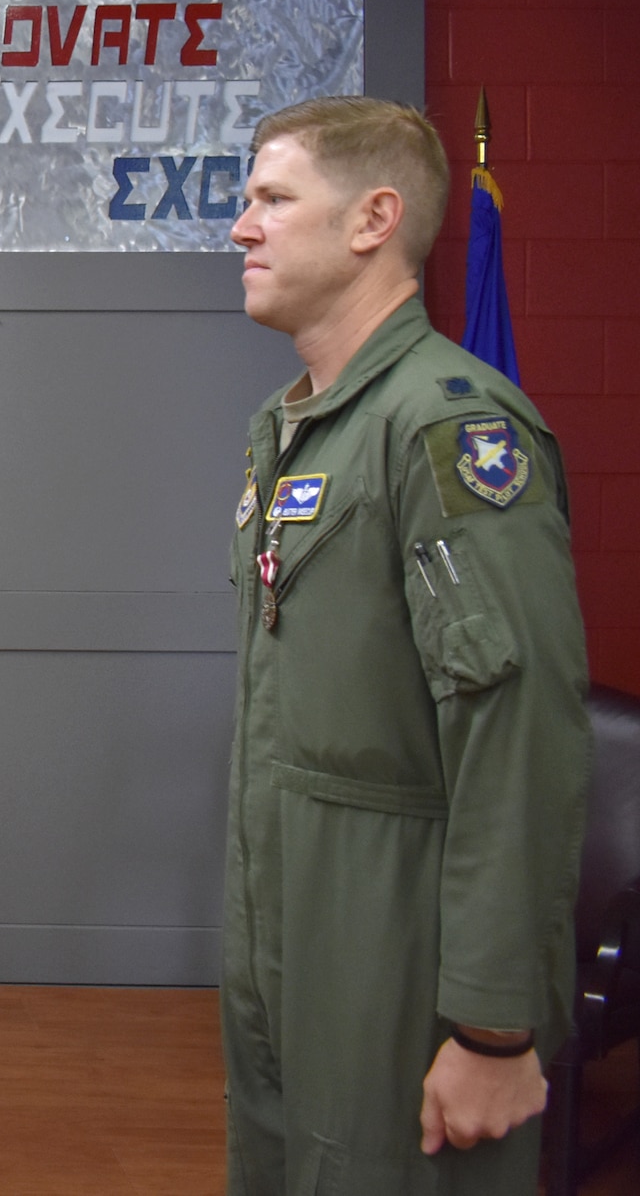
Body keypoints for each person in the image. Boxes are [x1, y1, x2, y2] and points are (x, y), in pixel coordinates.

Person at [221, 97, 589, 1194]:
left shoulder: (445, 429)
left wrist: (490, 1026)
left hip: (400, 955)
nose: (239, 228)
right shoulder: (291, 427)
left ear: (372, 218)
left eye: (271, 199)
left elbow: (515, 733)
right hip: (286, 935)